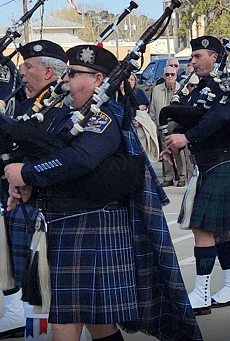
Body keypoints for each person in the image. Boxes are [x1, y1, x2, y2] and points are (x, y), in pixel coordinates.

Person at [3, 44, 202, 341]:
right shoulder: (73, 115)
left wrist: (27, 174)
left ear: (98, 80)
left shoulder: (104, 117)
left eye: (72, 73)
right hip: (72, 222)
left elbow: (80, 160)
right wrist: (31, 183)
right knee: (98, 323)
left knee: (65, 325)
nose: (65, 79)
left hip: (90, 226)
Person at [162, 35, 230, 317]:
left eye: (199, 56)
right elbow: (193, 115)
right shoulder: (202, 87)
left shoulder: (225, 85)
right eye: (193, 56)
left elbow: (218, 118)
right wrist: (174, 142)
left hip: (222, 162)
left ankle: (201, 293)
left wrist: (186, 138)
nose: (194, 61)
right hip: (208, 163)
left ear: (214, 57)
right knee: (221, 231)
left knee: (202, 228)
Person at [0, 40, 69, 341]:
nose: (22, 71)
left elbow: (49, 147)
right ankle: (34, 335)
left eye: (28, 66)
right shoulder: (25, 101)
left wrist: (24, 176)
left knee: (50, 289)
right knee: (33, 288)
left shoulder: (63, 106)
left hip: (50, 205)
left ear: (49, 72)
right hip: (25, 200)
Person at [149, 66, 188, 187]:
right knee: (165, 150)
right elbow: (153, 110)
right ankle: (168, 177)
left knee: (179, 152)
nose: (170, 77)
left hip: (177, 124)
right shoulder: (156, 90)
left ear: (176, 76)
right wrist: (154, 126)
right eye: (167, 75)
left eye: (172, 74)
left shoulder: (183, 89)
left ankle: (182, 177)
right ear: (163, 76)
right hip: (162, 124)